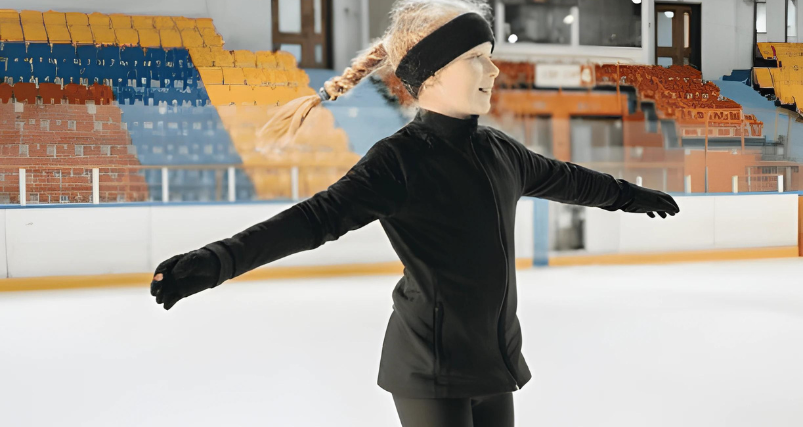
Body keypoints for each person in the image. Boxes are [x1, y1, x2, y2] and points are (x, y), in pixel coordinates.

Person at [150, 1, 680, 425]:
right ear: (430, 74)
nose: (493, 69)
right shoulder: (400, 160)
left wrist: (632, 195)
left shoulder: (501, 152)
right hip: (430, 368)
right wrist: (217, 261)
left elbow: (568, 178)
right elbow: (314, 220)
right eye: (476, 57)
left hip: (493, 361)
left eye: (489, 55)